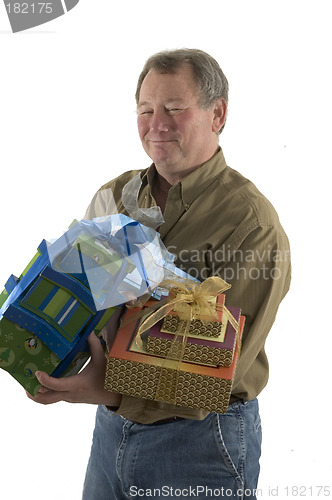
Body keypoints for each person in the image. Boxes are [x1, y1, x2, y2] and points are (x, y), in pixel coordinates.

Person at [27, 49, 291, 499]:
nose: (156, 124)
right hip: (111, 431)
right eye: (145, 110)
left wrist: (110, 390)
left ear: (217, 113)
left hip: (201, 441)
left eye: (174, 109)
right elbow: (84, 297)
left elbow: (217, 372)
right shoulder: (114, 196)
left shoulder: (250, 223)